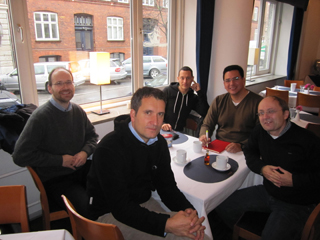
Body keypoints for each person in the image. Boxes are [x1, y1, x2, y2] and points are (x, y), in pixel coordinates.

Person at [87, 87, 208, 240]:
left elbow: (167, 187)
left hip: (141, 204)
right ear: (133, 114)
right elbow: (121, 208)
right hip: (107, 214)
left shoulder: (159, 144)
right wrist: (167, 224)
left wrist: (189, 211)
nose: (155, 122)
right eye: (148, 113)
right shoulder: (109, 149)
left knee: (195, 232)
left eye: (160, 114)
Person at [213, 96, 320, 240]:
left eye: (271, 111)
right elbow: (250, 152)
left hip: (296, 203)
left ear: (285, 114)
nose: (265, 117)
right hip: (268, 192)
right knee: (221, 204)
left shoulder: (307, 140)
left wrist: (294, 180)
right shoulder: (260, 132)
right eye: (261, 113)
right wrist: (262, 168)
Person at [12, 67, 98, 217]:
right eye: (59, 83)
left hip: (81, 170)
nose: (65, 87)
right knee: (89, 210)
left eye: (68, 82)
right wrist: (60, 160)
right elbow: (19, 156)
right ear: (49, 88)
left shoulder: (77, 111)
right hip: (57, 178)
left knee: (113, 191)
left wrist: (85, 152)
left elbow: (92, 136)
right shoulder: (40, 117)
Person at [199, 65, 262, 153]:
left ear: (243, 80)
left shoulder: (258, 103)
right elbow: (207, 124)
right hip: (220, 147)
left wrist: (241, 145)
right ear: (224, 84)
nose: (232, 83)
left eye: (236, 79)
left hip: (245, 149)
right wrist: (203, 135)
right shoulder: (219, 101)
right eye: (227, 80)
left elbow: (261, 133)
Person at [162, 66, 209, 133]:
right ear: (178, 78)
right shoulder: (168, 91)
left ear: (192, 79)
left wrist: (199, 92)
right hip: (163, 129)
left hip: (179, 132)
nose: (185, 81)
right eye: (182, 78)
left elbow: (205, 112)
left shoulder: (192, 97)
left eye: (188, 78)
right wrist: (163, 123)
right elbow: (157, 110)